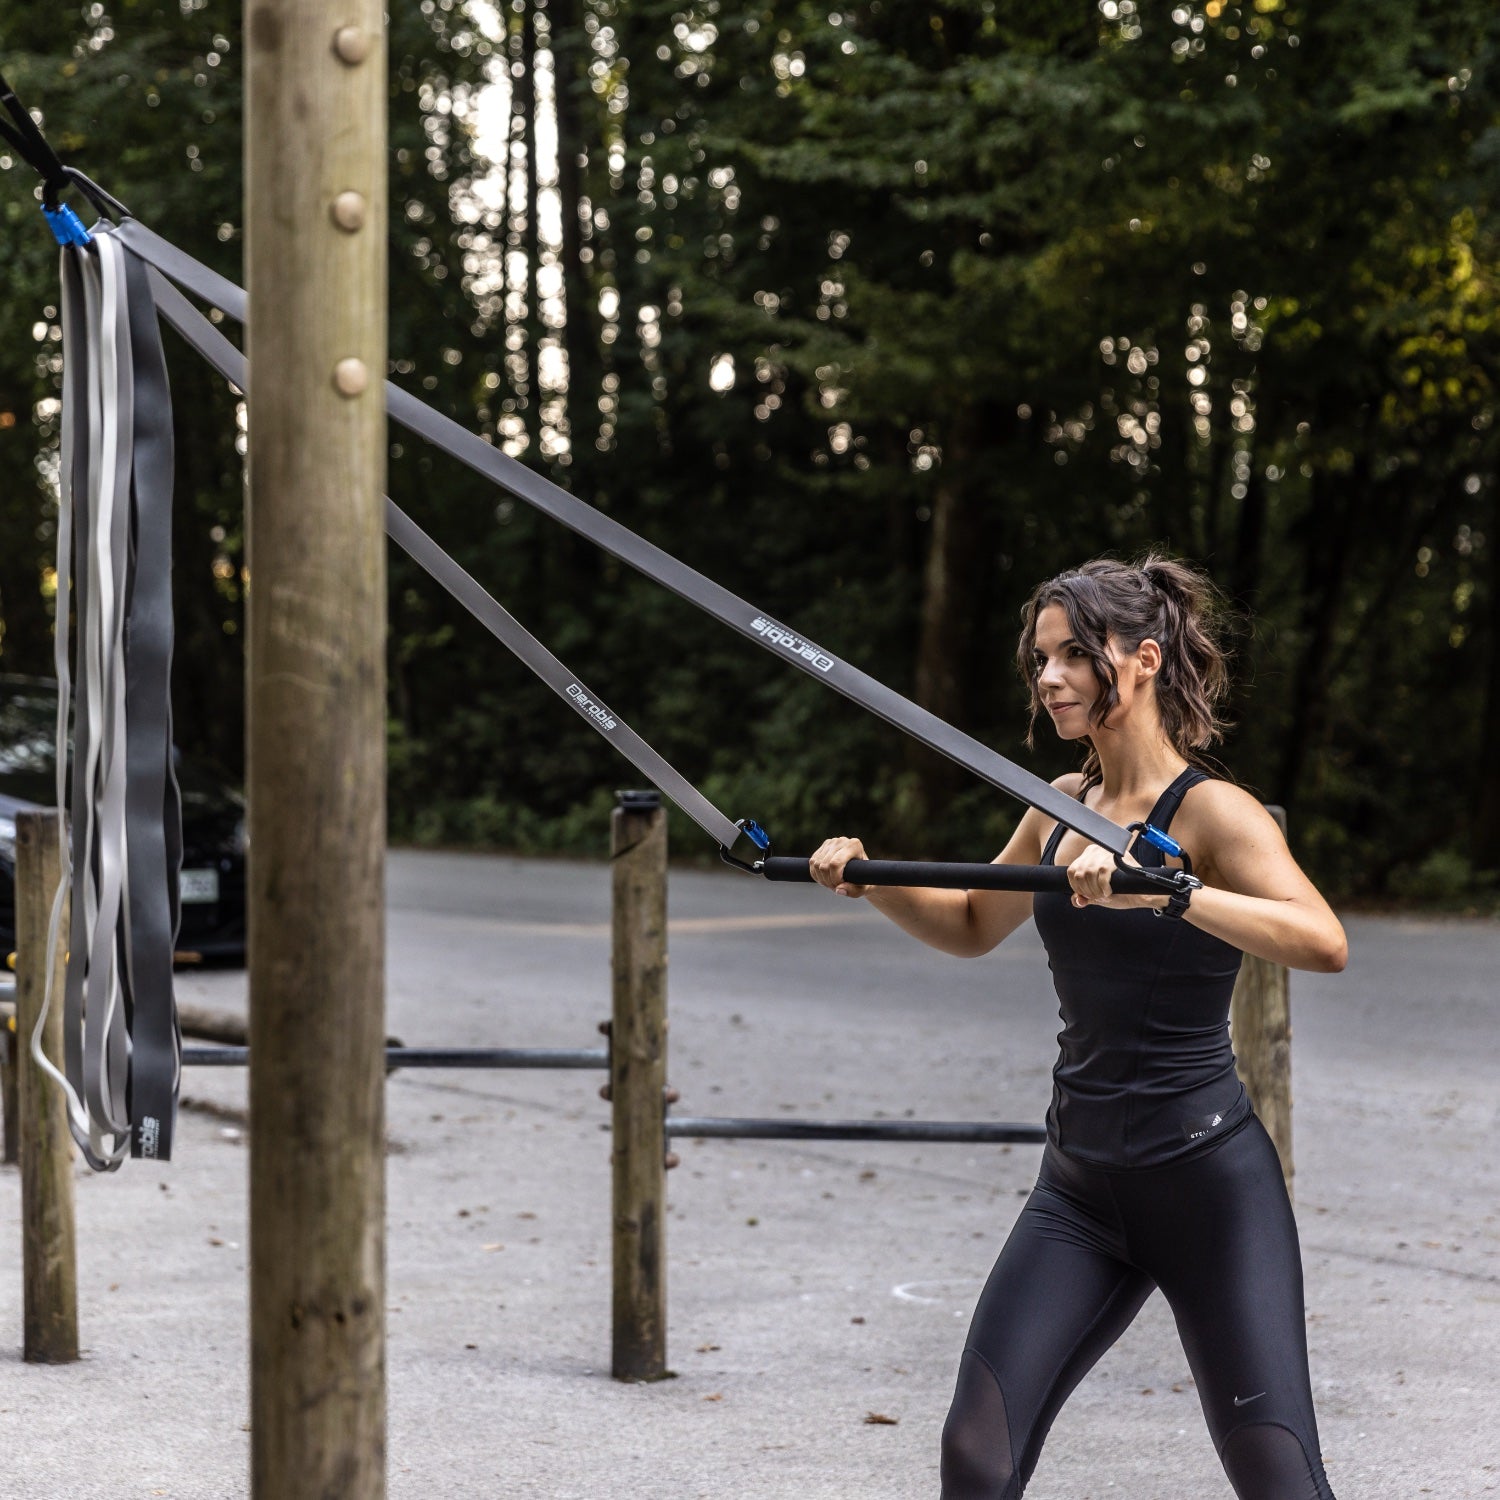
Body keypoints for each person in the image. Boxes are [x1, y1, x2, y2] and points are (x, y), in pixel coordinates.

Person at [809, 555, 1346, 1500]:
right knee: (976, 1455)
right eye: (1038, 660)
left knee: (1279, 1481)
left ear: (1141, 659)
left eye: (1070, 656)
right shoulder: (1061, 809)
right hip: (1080, 1190)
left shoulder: (1215, 812)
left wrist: (1170, 893)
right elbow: (975, 921)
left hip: (1209, 1190)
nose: (1047, 676)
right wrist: (872, 880)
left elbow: (1321, 939)